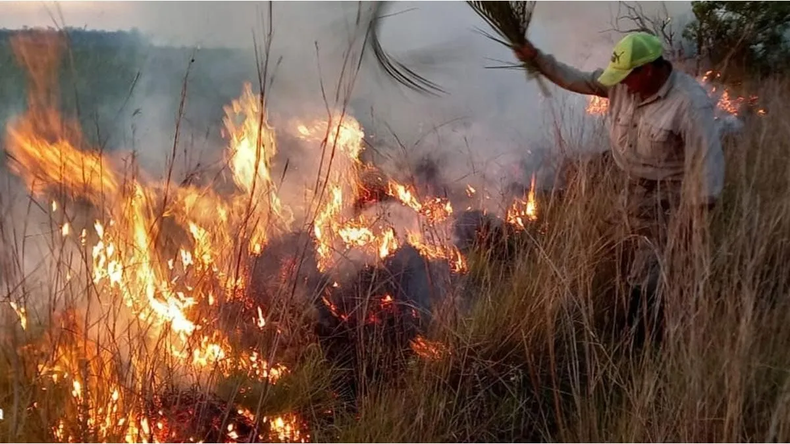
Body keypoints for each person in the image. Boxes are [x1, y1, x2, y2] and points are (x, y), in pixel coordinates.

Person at [514, 32, 725, 345]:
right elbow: (577, 80)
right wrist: (537, 59)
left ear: (648, 70)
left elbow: (708, 167)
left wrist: (689, 223)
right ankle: (645, 302)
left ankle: (640, 344)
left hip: (669, 197)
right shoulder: (622, 83)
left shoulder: (689, 104)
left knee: (648, 273)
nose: (620, 85)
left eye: (626, 77)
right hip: (629, 189)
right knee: (618, 253)